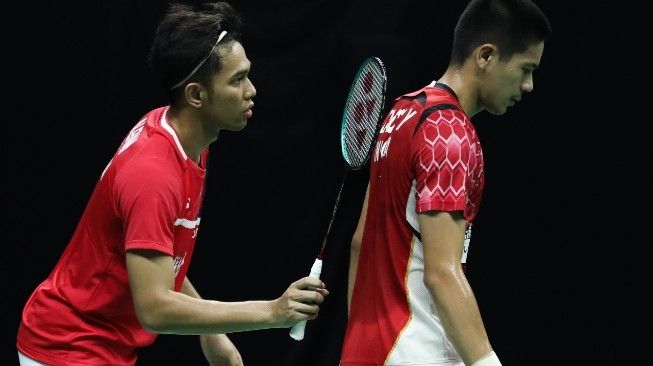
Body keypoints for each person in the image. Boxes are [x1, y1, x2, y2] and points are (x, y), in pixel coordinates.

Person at [16, 2, 329, 366]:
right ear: (196, 95)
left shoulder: (185, 143)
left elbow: (162, 260)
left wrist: (212, 335)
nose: (252, 90)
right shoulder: (153, 172)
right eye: (237, 80)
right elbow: (154, 308)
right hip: (69, 346)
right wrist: (273, 312)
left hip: (101, 344)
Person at [339, 0, 551, 365]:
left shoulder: (402, 112)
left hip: (364, 349)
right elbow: (442, 272)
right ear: (486, 56)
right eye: (525, 69)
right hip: (414, 348)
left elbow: (360, 243)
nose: (529, 86)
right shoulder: (448, 132)